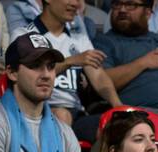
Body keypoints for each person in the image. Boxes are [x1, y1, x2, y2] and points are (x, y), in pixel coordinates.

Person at [12, 0, 125, 137]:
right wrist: (71, 61)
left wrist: (118, 106)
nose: (75, 4)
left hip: (77, 113)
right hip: (38, 111)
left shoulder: (79, 37)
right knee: (62, 116)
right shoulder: (24, 35)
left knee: (119, 126)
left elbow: (98, 76)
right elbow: (33, 76)